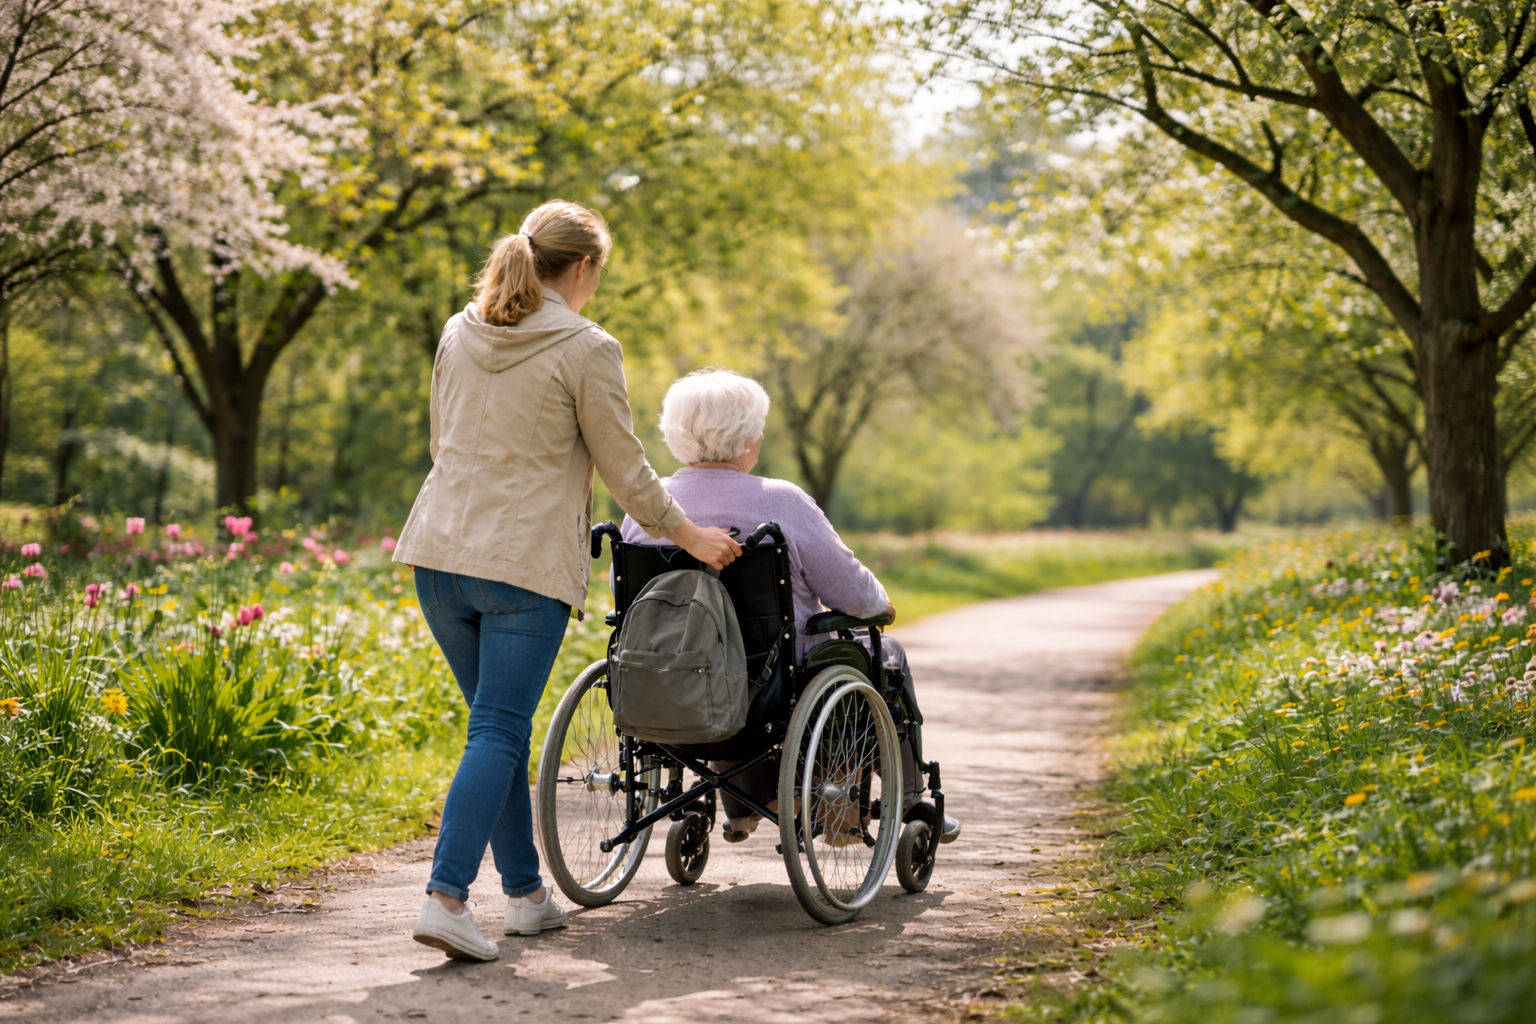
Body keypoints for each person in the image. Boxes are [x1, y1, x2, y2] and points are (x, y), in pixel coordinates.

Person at [393, 201, 740, 962]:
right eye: (598, 274)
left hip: (438, 558)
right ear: (583, 267)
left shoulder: (458, 331)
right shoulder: (587, 346)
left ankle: (526, 897)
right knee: (497, 729)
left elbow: (441, 443)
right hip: (520, 568)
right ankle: (446, 899)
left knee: (496, 729)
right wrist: (690, 535)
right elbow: (626, 469)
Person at [618, 368, 960, 845]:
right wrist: (879, 604)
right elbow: (853, 595)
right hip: (772, 681)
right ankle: (907, 798)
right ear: (746, 440)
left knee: (722, 661)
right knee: (883, 655)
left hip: (669, 675)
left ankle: (742, 803)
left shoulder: (650, 506)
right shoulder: (781, 502)